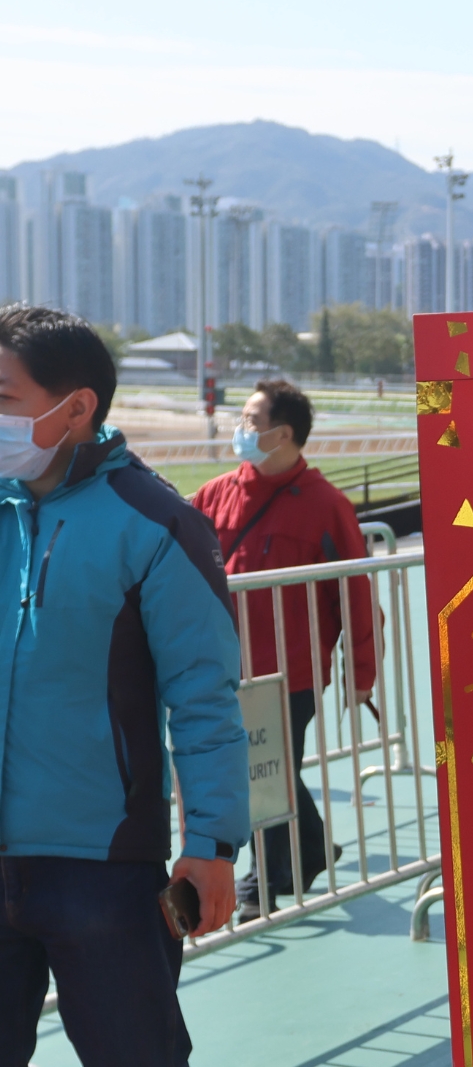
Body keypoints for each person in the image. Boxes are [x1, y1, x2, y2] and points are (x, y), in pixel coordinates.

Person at [0, 306, 249, 1065]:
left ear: (76, 408)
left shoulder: (157, 523)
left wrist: (211, 843)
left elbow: (203, 697)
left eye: (3, 398)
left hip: (104, 871)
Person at [191, 380, 376, 920]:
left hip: (290, 674)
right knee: (260, 768)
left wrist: (360, 671)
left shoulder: (326, 506)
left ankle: (262, 885)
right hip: (223, 668)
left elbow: (355, 595)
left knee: (262, 771)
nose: (240, 429)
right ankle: (311, 848)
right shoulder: (214, 495)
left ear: (284, 434)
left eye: (251, 420)